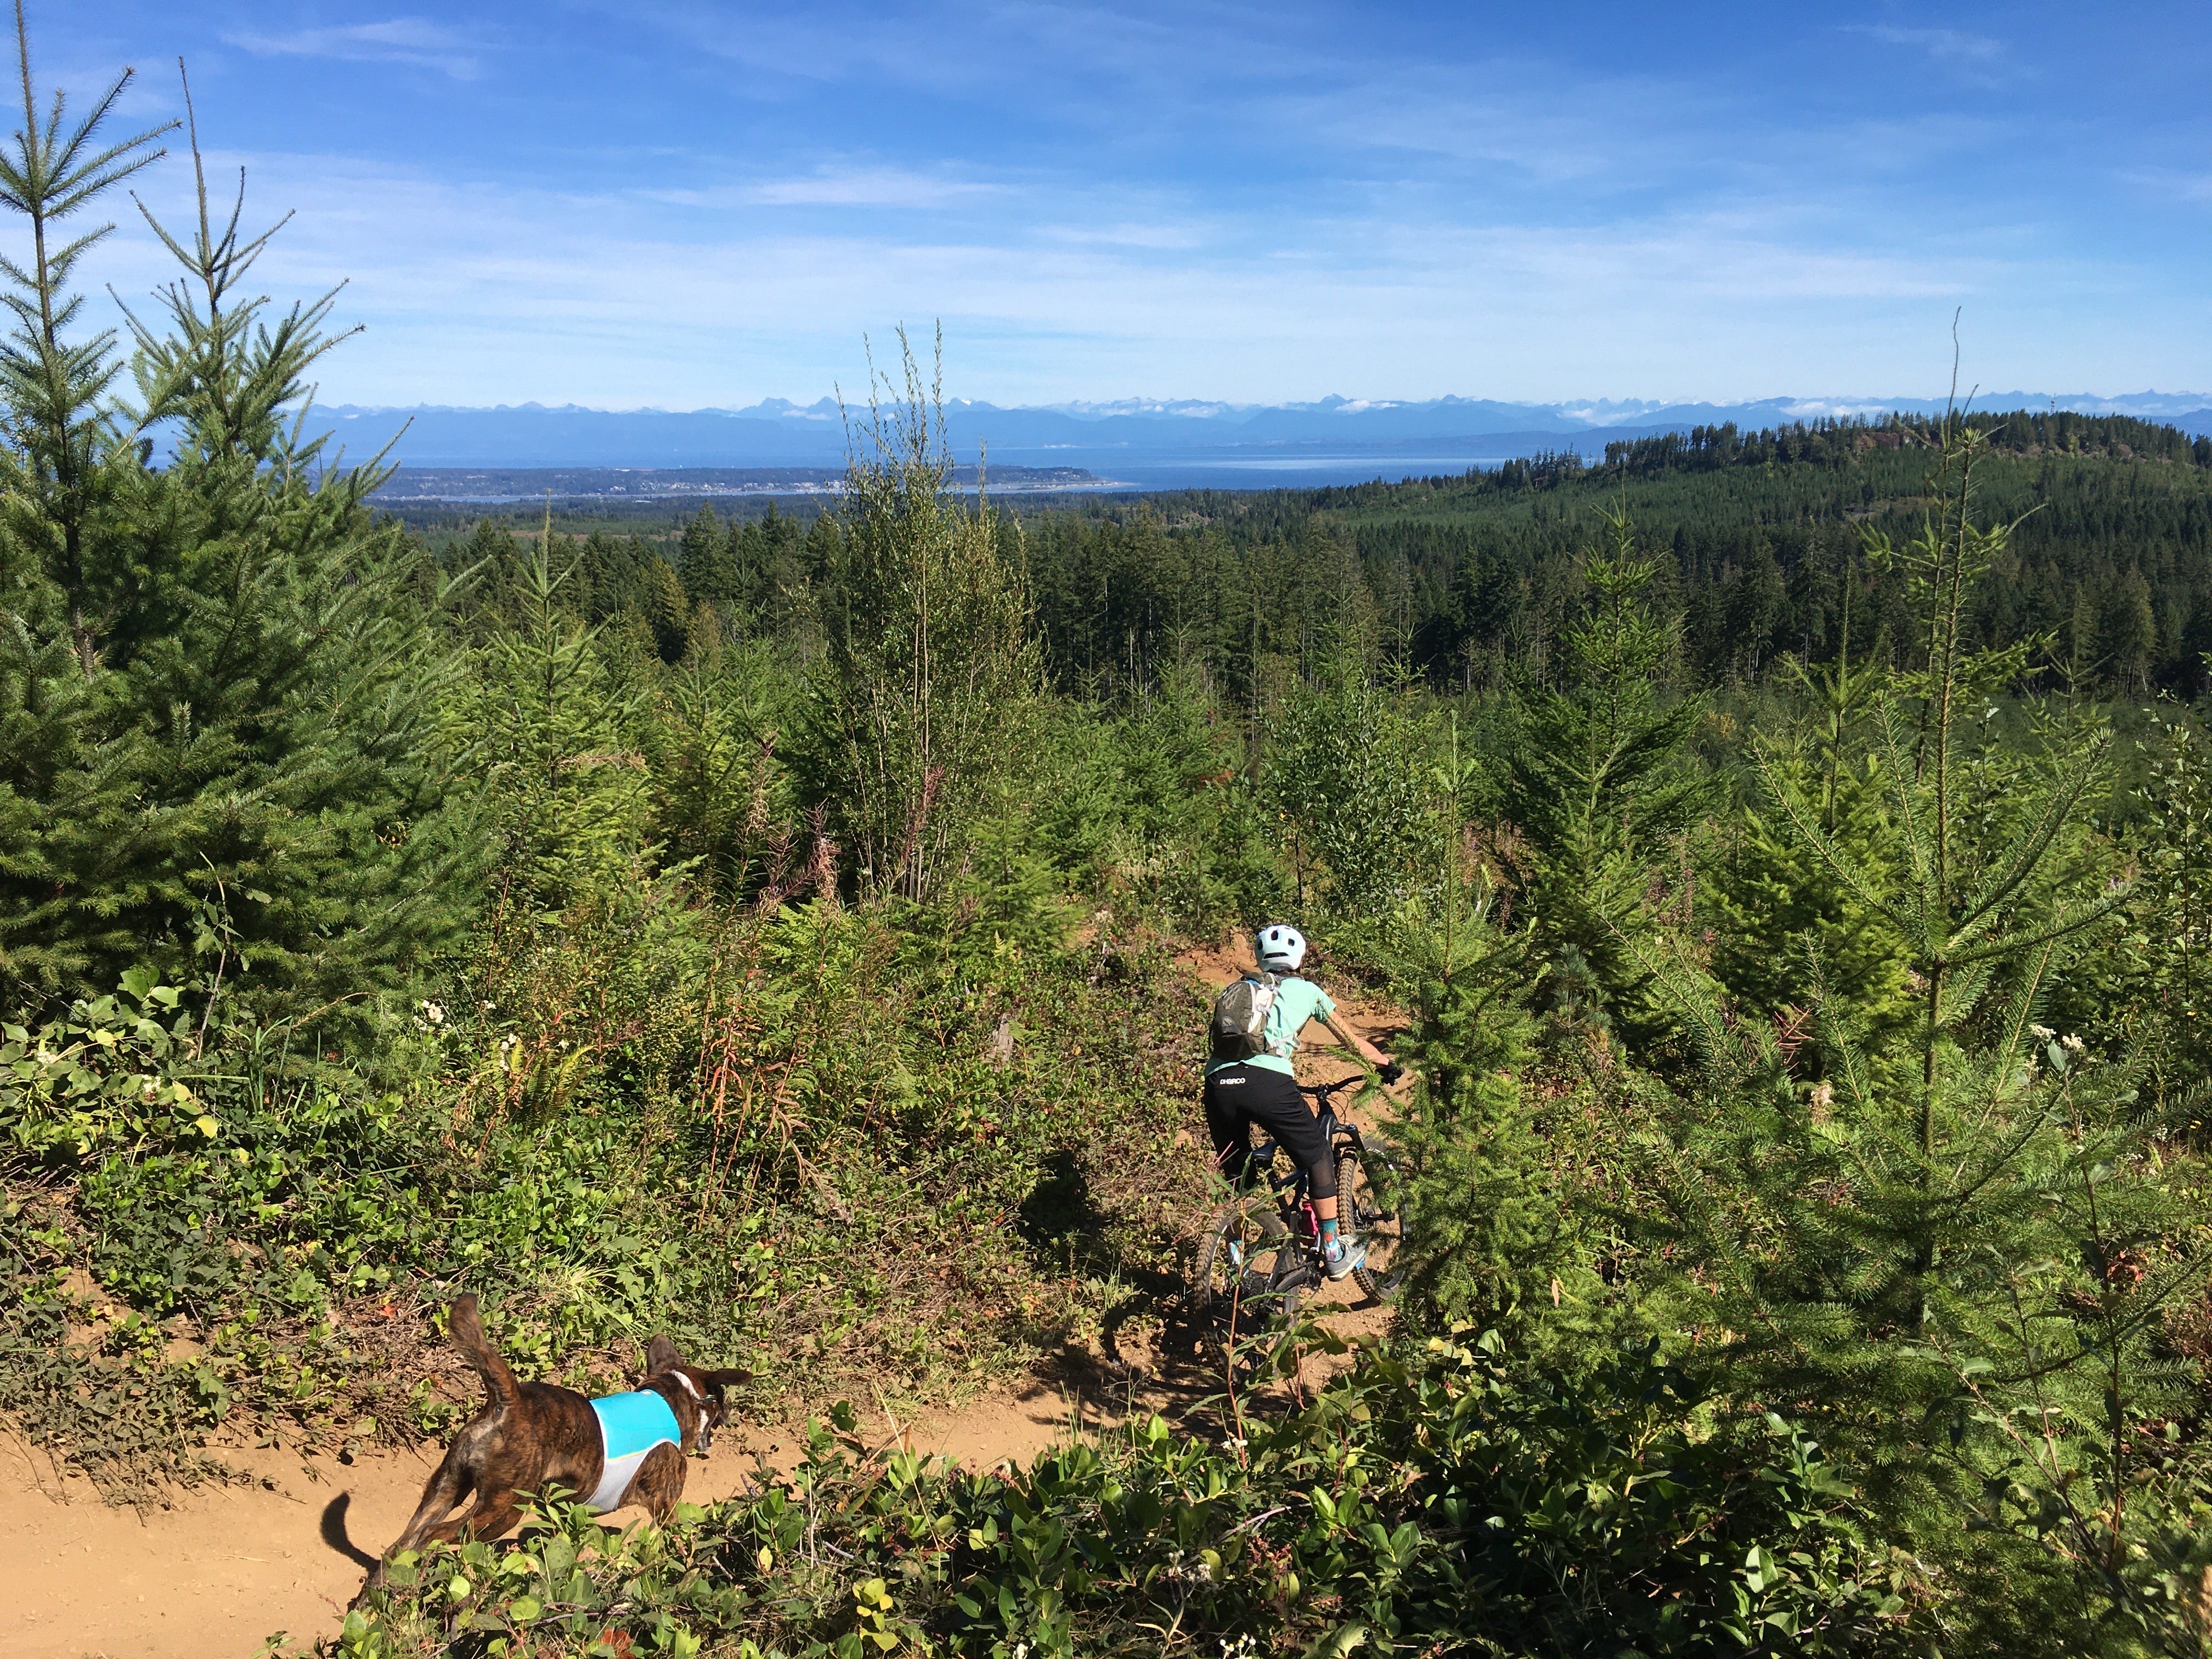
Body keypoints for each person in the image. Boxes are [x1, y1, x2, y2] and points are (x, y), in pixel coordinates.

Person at [1203, 923, 1395, 1279]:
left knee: (1235, 1173)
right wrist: (1385, 1064)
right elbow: (1353, 1043)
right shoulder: (1307, 990)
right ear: (1299, 957)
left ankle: (1233, 1254)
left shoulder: (1237, 988)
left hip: (1217, 1084)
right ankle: (1335, 1251)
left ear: (1260, 958)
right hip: (1268, 1082)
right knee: (1319, 1156)